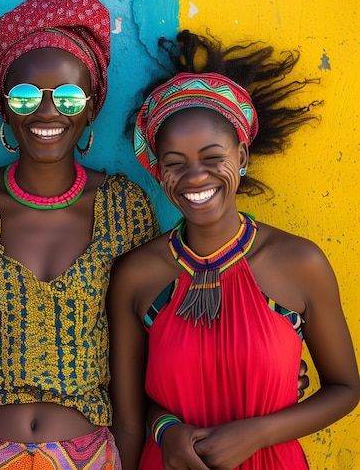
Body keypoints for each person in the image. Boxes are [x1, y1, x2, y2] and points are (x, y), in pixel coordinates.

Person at [108, 31, 360, 469]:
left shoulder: (299, 263)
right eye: (174, 163)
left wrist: (259, 433)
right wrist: (166, 431)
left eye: (212, 158)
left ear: (241, 154)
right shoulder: (137, 274)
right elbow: (127, 417)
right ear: (159, 171)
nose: (194, 177)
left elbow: (345, 389)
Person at [0, 0, 160, 469]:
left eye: (69, 97)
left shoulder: (124, 210)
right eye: (24, 96)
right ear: (2, 106)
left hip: (88, 454)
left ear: (91, 107)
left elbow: (149, 335)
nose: (46, 111)